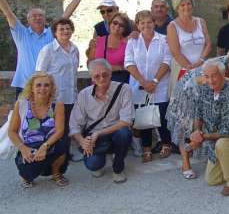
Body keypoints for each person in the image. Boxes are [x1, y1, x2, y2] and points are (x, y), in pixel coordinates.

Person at [166, 42, 229, 179]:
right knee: (186, 126)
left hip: (208, 91)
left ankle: (222, 154)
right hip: (189, 91)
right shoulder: (218, 64)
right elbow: (200, 80)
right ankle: (186, 164)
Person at [0, 0, 91, 98]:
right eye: (34, 16)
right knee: (22, 111)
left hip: (44, 87)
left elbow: (67, 14)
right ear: (28, 20)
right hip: (24, 85)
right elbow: (7, 12)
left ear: (45, 19)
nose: (37, 18)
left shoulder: (51, 34)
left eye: (40, 15)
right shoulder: (21, 34)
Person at [188, 58, 229, 197]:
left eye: (214, 76)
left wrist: (202, 137)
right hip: (216, 137)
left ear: (223, 75)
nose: (210, 80)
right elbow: (198, 113)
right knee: (212, 180)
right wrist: (197, 132)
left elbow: (228, 130)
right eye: (207, 76)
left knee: (223, 144)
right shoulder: (204, 88)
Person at [69, 59, 134, 183]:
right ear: (91, 78)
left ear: (110, 74)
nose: (102, 78)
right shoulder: (84, 94)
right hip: (94, 137)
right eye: (97, 76)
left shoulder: (124, 89)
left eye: (105, 74)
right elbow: (74, 125)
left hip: (114, 131)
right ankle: (101, 157)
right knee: (93, 165)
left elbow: (126, 121)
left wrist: (98, 133)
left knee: (124, 133)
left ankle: (118, 168)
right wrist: (82, 141)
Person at [124, 10, 172, 162]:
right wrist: (144, 82)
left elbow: (167, 61)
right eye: (142, 23)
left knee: (162, 116)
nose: (146, 25)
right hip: (139, 86)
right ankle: (147, 149)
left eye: (149, 22)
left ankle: (166, 144)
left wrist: (155, 81)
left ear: (154, 23)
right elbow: (128, 63)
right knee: (144, 118)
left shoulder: (163, 40)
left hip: (160, 85)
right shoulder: (133, 42)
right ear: (137, 25)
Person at [8, 72, 68, 188]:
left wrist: (44, 146)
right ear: (31, 87)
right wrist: (23, 148)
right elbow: (12, 131)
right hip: (28, 147)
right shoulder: (22, 104)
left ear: (51, 88)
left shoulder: (57, 105)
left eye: (47, 85)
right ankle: (26, 175)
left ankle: (56, 173)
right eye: (38, 85)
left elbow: (60, 131)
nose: (42, 88)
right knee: (29, 173)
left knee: (63, 144)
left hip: (49, 145)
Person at [35, 18, 79, 156]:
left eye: (68, 28)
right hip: (55, 98)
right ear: (55, 32)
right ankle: (52, 156)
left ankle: (65, 155)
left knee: (67, 127)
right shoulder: (48, 50)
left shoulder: (74, 49)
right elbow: (39, 75)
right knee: (54, 129)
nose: (65, 31)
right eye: (61, 29)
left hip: (71, 97)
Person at [166, 0, 211, 82]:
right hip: (183, 70)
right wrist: (190, 68)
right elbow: (175, 52)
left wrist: (200, 61)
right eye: (182, 5)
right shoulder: (172, 26)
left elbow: (208, 44)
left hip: (203, 68)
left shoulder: (201, 21)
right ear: (177, 7)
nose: (186, 7)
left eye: (189, 4)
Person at [91, 12, 130, 83]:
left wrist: (119, 68)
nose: (117, 26)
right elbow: (90, 62)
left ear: (125, 29)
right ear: (110, 24)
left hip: (119, 83)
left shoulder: (128, 44)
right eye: (115, 23)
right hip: (99, 84)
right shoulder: (97, 41)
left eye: (121, 25)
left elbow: (132, 65)